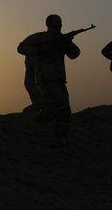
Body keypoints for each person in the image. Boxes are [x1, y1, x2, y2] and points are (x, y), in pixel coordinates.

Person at [17, 15, 80, 145]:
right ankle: (32, 120)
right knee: (56, 108)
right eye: (57, 23)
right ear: (48, 24)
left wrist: (67, 41)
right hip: (44, 79)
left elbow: (75, 54)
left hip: (59, 79)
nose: (59, 25)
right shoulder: (39, 38)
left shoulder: (62, 40)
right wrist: (41, 49)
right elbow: (21, 48)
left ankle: (59, 138)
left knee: (64, 111)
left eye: (60, 23)